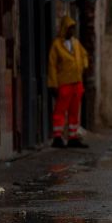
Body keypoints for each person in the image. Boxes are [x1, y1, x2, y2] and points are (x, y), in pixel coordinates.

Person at [48, 15, 89, 149]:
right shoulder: (57, 45)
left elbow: (84, 54)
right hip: (64, 83)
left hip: (77, 82)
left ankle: (73, 136)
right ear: (64, 29)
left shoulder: (76, 43)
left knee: (74, 111)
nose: (72, 31)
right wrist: (53, 84)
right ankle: (57, 136)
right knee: (60, 110)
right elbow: (52, 65)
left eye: (73, 28)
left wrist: (84, 65)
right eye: (70, 28)